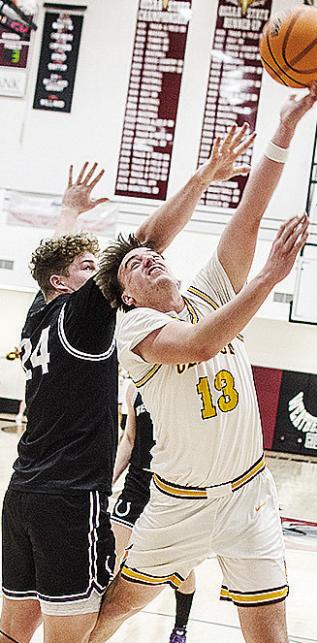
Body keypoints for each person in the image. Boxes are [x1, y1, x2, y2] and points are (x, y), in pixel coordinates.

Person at [87, 80, 317, 643]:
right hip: (180, 503)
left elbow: (248, 216)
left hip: (249, 495)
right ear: (127, 296)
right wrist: (269, 277)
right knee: (115, 612)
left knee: (272, 636)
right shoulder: (136, 329)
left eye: (153, 254)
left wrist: (285, 128)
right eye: (133, 267)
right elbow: (198, 344)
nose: (148, 259)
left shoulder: (208, 294)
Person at [0, 133, 252, 643]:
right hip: (71, 501)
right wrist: (201, 178)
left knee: (11, 632)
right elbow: (145, 244)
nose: (102, 277)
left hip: (22, 493)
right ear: (69, 286)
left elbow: (54, 262)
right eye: (90, 271)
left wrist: (69, 212)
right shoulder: (80, 316)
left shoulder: (38, 315)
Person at [111, 382, 195, 643]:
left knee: (180, 572)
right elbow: (129, 439)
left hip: (172, 492)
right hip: (136, 488)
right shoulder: (134, 390)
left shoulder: (185, 387)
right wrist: (108, 481)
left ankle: (180, 627)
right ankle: (98, 628)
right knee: (111, 560)